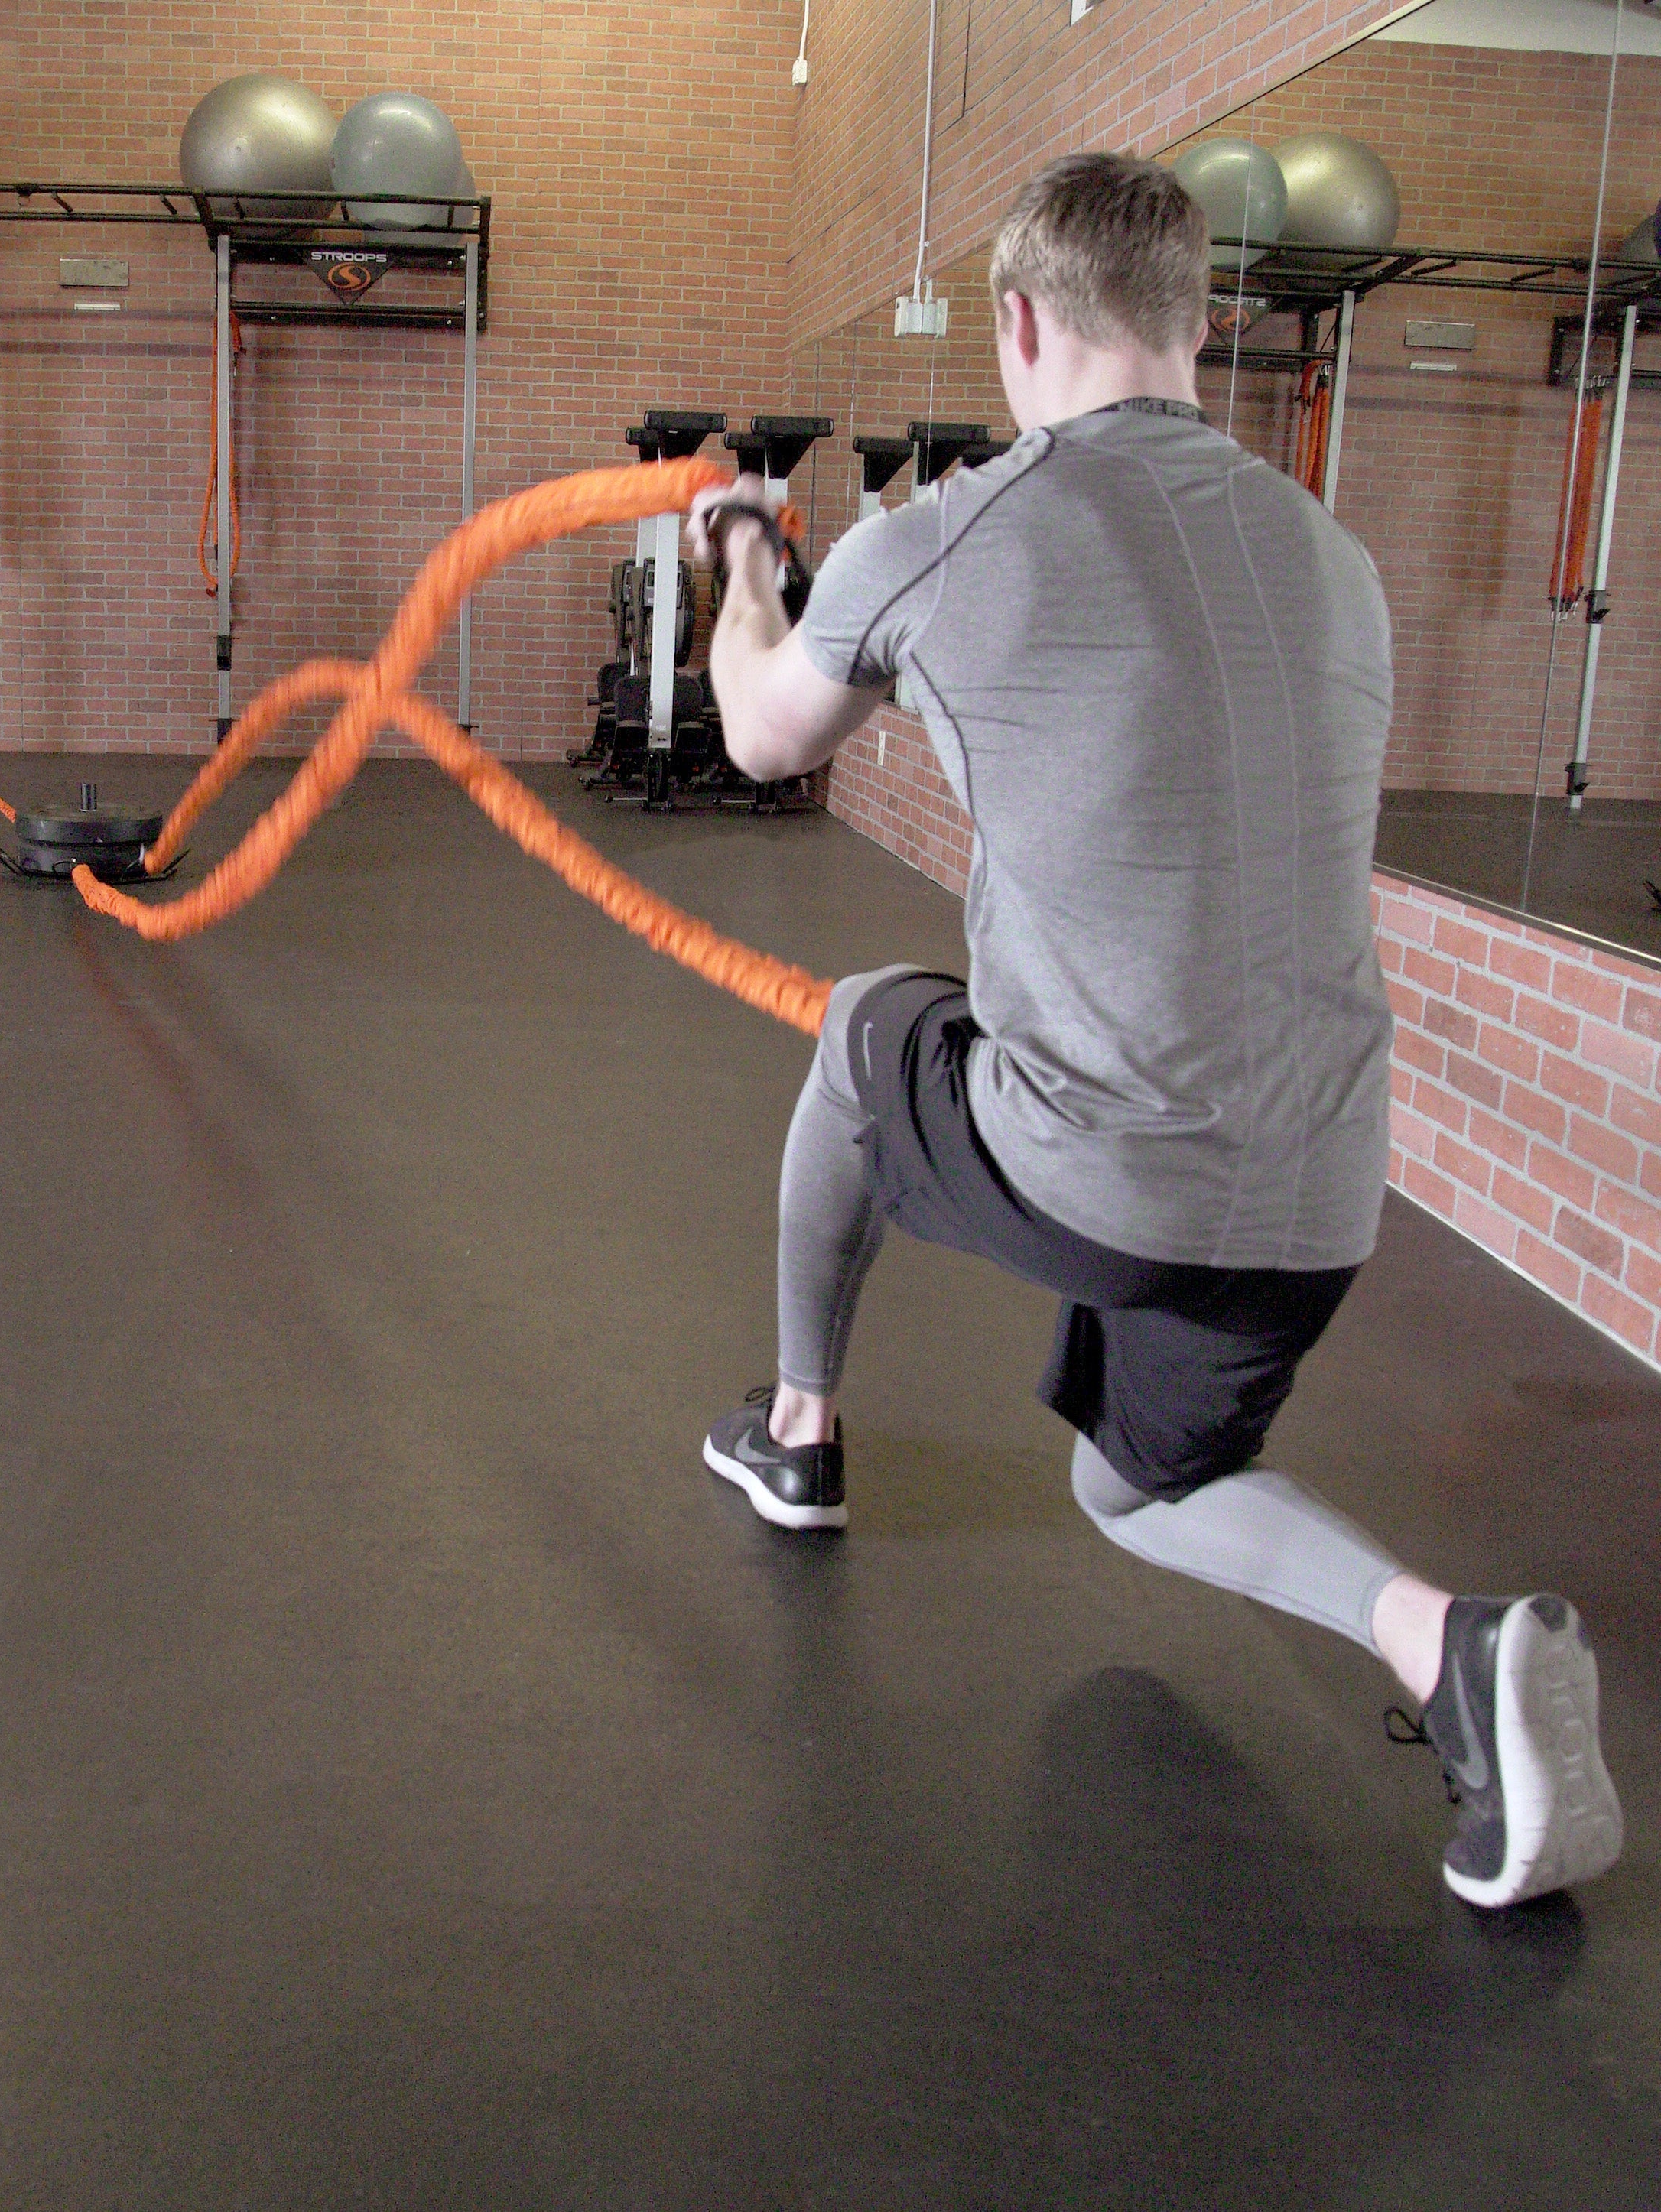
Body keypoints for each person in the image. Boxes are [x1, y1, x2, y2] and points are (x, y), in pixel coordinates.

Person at [689, 151, 1622, 1913]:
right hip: (1326, 1188)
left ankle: (798, 1430)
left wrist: (745, 548)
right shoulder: (1334, 562)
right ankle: (1449, 1646)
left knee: (864, 1019)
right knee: (1132, 1492)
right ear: (1195, 326)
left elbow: (753, 733)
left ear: (1019, 323)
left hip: (1103, 1168)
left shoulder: (941, 535)